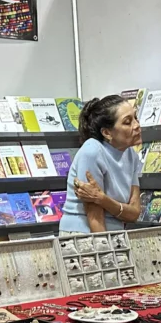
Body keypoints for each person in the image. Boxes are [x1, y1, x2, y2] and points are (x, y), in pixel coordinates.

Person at [60, 95, 143, 233]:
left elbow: (134, 213)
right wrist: (105, 250)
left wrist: (102, 199)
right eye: (127, 122)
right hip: (83, 234)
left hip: (115, 233)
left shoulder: (131, 155)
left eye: (136, 118)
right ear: (107, 133)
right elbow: (94, 217)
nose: (137, 125)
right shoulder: (92, 150)